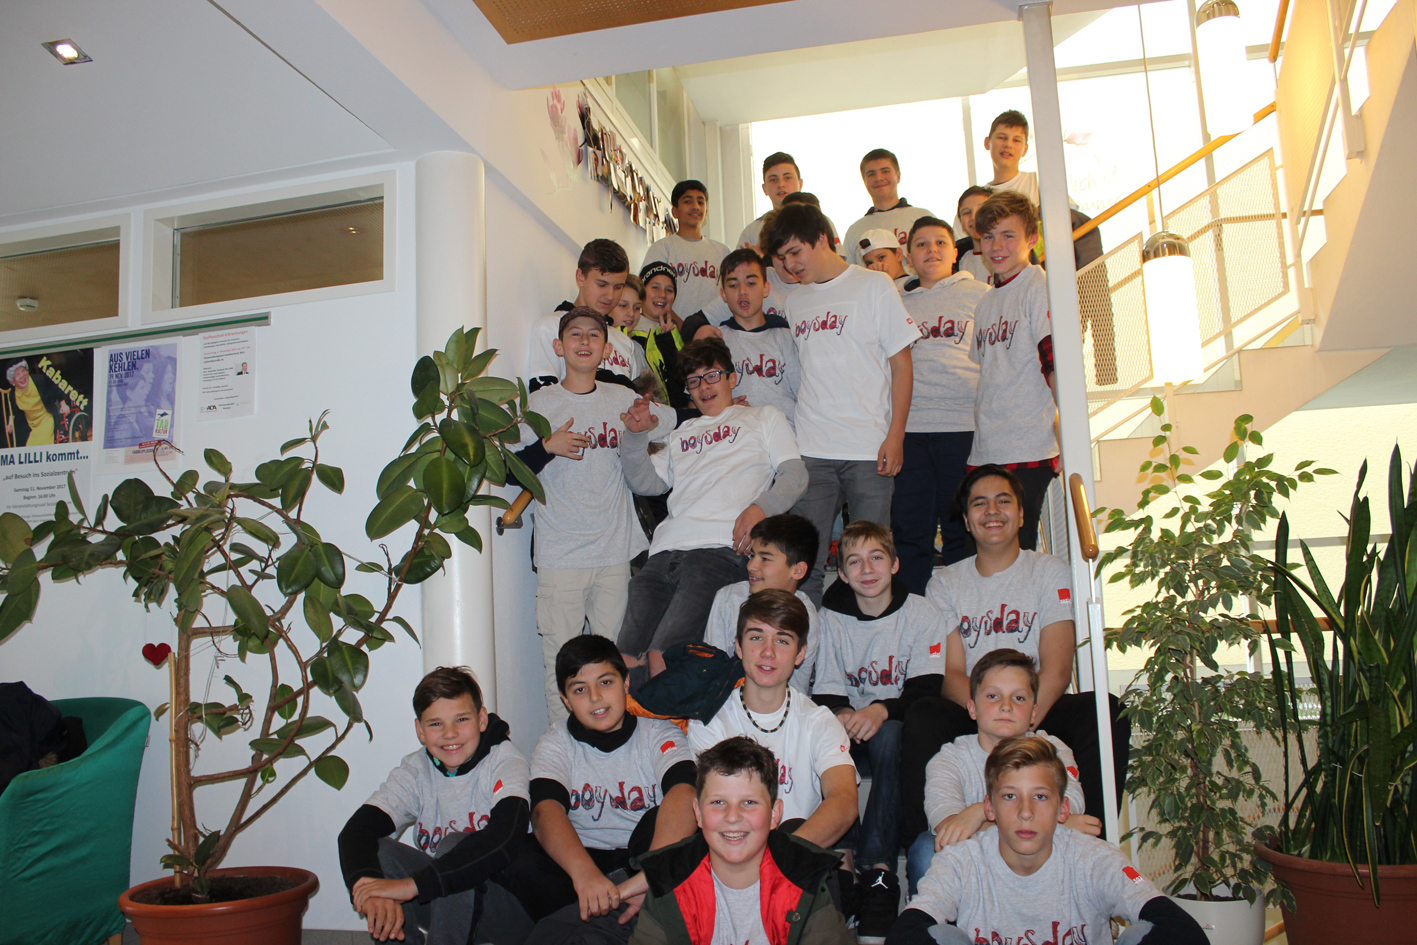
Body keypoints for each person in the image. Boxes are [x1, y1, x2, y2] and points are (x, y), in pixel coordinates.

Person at [900, 465, 1129, 852]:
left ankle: (1091, 844)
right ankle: (925, 847)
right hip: (977, 708)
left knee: (1104, 710)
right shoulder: (945, 583)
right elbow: (951, 672)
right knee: (923, 714)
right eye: (979, 504)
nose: (992, 511)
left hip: (1037, 705)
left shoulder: (1049, 571)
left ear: (1021, 515)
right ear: (967, 521)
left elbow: (1058, 667)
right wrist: (989, 709)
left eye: (1003, 501)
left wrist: (1024, 714)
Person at [516, 308, 678, 719]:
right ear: (559, 347)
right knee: (561, 667)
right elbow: (506, 469)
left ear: (606, 349)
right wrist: (546, 448)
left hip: (614, 554)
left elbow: (671, 421)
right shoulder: (540, 404)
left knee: (615, 666)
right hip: (560, 557)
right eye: (575, 334)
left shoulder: (621, 397)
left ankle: (614, 746)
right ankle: (563, 750)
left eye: (594, 335)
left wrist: (646, 422)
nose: (585, 341)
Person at [887, 737, 1205, 945]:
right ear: (989, 808)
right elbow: (906, 932)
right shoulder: (961, 861)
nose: (1025, 812)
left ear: (1063, 809)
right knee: (943, 937)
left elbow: (1183, 930)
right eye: (1009, 796)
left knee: (1141, 935)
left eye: (1040, 797)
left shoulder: (1094, 858)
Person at [616, 339, 806, 677]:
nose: (704, 387)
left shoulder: (763, 417)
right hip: (663, 552)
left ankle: (667, 714)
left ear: (732, 378)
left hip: (719, 550)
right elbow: (646, 483)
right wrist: (634, 437)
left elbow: (795, 475)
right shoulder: (680, 432)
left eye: (712, 376)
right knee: (626, 658)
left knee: (665, 657)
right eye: (694, 381)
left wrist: (761, 508)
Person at [761, 202, 919, 605]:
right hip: (813, 449)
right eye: (781, 258)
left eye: (795, 252)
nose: (789, 265)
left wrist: (896, 435)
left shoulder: (874, 285)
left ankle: (872, 638)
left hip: (869, 448)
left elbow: (901, 364)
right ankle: (805, 642)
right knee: (804, 565)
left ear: (821, 240)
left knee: (870, 563)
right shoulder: (795, 301)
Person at [811, 520, 946, 943]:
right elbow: (826, 691)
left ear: (895, 564)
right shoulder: (830, 618)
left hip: (894, 735)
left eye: (876, 558)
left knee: (890, 734)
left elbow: (926, 690)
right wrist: (843, 713)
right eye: (854, 562)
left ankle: (881, 872)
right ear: (842, 573)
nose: (866, 569)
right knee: (826, 735)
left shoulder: (922, 613)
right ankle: (845, 865)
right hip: (850, 732)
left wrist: (880, 709)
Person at [507, 635, 698, 932]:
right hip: (581, 864)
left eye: (605, 682)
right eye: (580, 689)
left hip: (643, 860)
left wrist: (652, 874)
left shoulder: (659, 732)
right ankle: (599, 916)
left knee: (688, 836)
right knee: (518, 855)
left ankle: (599, 916)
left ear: (626, 683)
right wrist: (586, 876)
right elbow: (545, 811)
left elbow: (685, 793)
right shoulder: (556, 742)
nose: (595, 697)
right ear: (566, 700)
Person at [338, 667, 530, 945]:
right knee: (377, 853)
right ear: (420, 730)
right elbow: (356, 831)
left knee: (456, 846)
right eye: (436, 724)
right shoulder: (416, 770)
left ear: (481, 719)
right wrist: (370, 889)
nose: (450, 734)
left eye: (461, 719)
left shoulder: (505, 761)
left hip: (509, 908)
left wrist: (412, 886)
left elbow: (507, 836)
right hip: (446, 902)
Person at [619, 736, 855, 944]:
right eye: (718, 802)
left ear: (774, 814)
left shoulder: (804, 877)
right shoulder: (669, 879)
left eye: (749, 802)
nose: (732, 817)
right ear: (698, 813)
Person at [905, 648, 1094, 895]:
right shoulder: (949, 759)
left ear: (1033, 713)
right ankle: (932, 920)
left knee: (1083, 842)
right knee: (925, 849)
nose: (1006, 706)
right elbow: (947, 825)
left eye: (1019, 698)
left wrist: (978, 815)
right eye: (993, 696)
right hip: (976, 871)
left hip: (1039, 868)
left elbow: (1073, 803)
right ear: (972, 708)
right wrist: (1055, 825)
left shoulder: (1054, 749)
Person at [689, 591, 858, 849]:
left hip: (796, 853)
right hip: (731, 849)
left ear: (800, 654)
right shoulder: (709, 721)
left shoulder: (819, 721)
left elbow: (844, 800)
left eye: (782, 640)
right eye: (756, 637)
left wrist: (781, 859)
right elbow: (713, 810)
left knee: (792, 828)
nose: (768, 652)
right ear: (738, 646)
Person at [892, 216, 990, 593]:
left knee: (961, 529)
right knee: (910, 528)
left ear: (954, 253)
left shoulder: (980, 294)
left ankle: (966, 611)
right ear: (908, 256)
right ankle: (913, 612)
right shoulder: (895, 302)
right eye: (921, 244)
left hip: (963, 426)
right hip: (910, 430)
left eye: (940, 243)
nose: (931, 250)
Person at [967, 190, 1057, 550]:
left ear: (1031, 238)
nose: (997, 246)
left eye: (1008, 235)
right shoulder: (986, 301)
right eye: (989, 236)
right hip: (987, 447)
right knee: (987, 551)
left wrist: (1067, 439)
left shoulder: (1039, 287)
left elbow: (1054, 365)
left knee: (1018, 550)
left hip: (1028, 446)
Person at [702, 513, 820, 692]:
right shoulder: (729, 598)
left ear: (797, 570)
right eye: (752, 556)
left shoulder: (807, 616)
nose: (751, 566)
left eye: (765, 558)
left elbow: (798, 689)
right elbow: (712, 670)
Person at [526, 239, 632, 393]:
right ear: (580, 277)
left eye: (618, 287)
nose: (610, 295)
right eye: (602, 285)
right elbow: (544, 398)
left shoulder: (625, 342)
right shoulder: (550, 327)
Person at [713, 247, 800, 427]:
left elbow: (804, 395)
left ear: (765, 288)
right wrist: (723, 408)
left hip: (786, 432)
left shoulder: (787, 337)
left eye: (751, 283)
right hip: (738, 435)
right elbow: (701, 401)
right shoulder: (716, 341)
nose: (742, 291)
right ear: (723, 294)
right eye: (733, 285)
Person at [642, 180, 732, 322]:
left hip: (715, 331)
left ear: (706, 212)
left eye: (700, 202)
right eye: (688, 201)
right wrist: (682, 328)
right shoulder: (662, 248)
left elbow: (731, 295)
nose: (695, 207)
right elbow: (647, 295)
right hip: (672, 330)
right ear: (675, 211)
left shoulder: (722, 251)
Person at [841, 149, 935, 267]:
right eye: (871, 174)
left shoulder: (922, 217)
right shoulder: (855, 230)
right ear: (864, 181)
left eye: (885, 171)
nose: (879, 178)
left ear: (898, 176)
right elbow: (848, 273)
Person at [738, 151, 805, 250]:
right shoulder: (752, 232)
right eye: (773, 180)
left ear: (800, 184)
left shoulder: (820, 222)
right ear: (764, 188)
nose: (781, 184)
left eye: (787, 178)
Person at [608, 273, 651, 380]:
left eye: (637, 308)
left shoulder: (640, 348)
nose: (631, 313)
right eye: (623, 305)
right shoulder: (599, 343)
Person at [4, 360, 55, 446]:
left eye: (23, 371)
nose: (22, 375)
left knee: (44, 444)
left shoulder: (39, 380)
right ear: (12, 381)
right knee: (30, 446)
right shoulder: (13, 395)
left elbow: (54, 389)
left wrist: (63, 404)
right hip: (32, 426)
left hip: (46, 418)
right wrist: (10, 423)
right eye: (17, 374)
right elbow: (13, 411)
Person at [953, 186, 993, 284]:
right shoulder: (959, 261)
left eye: (981, 210)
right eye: (967, 212)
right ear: (961, 223)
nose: (973, 217)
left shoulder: (1009, 255)